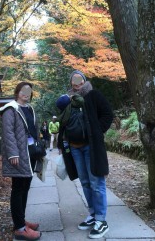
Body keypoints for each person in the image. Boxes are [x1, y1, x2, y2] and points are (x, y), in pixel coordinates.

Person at [57, 70, 113, 239]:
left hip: (91, 147)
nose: (77, 82)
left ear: (83, 80)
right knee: (85, 182)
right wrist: (61, 143)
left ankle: (101, 220)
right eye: (74, 79)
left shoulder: (93, 95)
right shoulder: (67, 99)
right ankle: (93, 214)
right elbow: (63, 122)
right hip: (74, 147)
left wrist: (97, 131)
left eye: (79, 78)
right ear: (71, 82)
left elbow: (108, 115)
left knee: (96, 181)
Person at [0, 82, 42, 241]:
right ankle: (19, 228)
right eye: (23, 90)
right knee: (18, 188)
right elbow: (8, 133)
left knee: (25, 186)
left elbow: (34, 130)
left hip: (29, 152)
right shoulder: (10, 109)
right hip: (18, 154)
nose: (26, 93)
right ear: (17, 92)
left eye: (29, 91)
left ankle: (21, 220)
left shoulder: (29, 109)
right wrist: (12, 154)